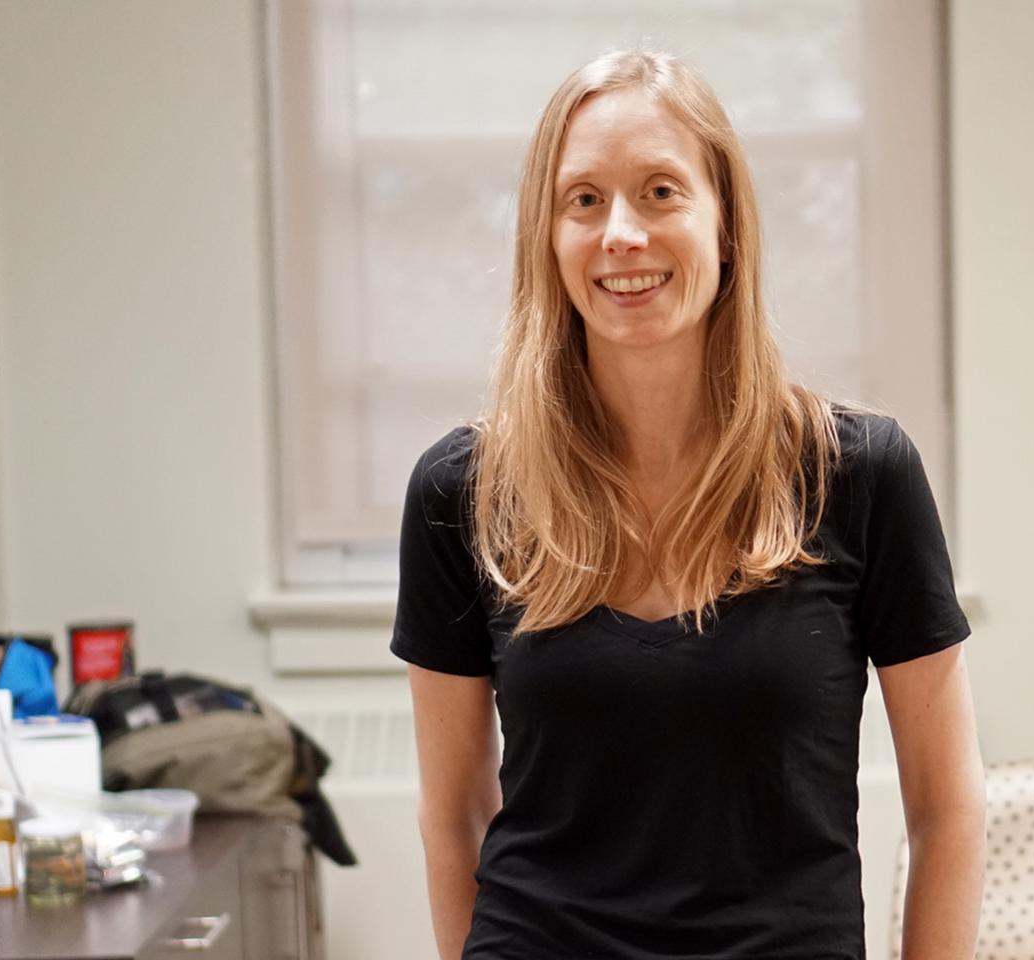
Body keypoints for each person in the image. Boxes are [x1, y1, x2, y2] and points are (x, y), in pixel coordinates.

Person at [391, 50, 984, 960]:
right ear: (547, 238)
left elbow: (945, 808)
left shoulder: (861, 475)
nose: (620, 232)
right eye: (583, 200)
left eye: (661, 191)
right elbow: (454, 818)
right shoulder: (462, 491)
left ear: (727, 225)